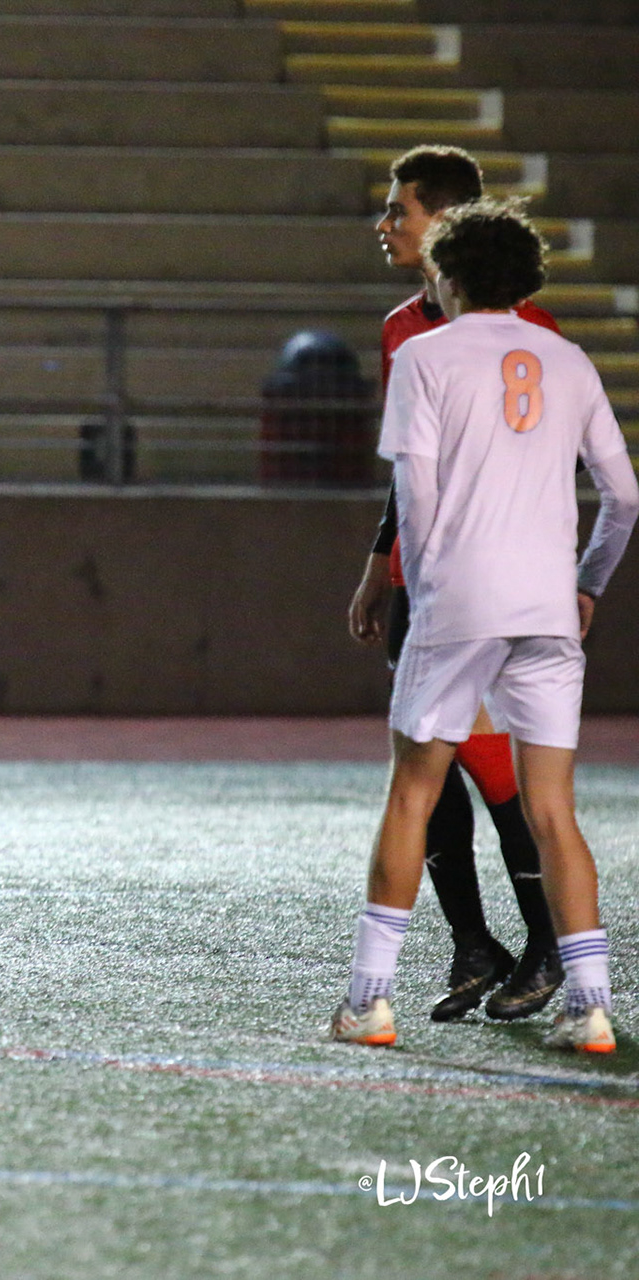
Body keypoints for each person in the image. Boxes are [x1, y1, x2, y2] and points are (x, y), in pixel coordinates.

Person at [331, 200, 637, 1054]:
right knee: (554, 810)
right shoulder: (567, 358)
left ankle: (368, 1002)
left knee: (412, 793)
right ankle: (591, 1007)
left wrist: (430, 595)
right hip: (547, 606)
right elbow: (624, 497)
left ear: (449, 275)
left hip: (458, 605)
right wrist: (587, 586)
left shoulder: (424, 356)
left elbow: (418, 497)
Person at [345, 146, 564, 1023]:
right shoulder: (403, 326)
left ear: (447, 223)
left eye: (398, 210)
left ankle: (547, 947)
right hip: (422, 583)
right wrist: (380, 566)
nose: (384, 225)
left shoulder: (530, 331)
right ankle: (476, 946)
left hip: (486, 586)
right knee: (426, 774)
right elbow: (408, 466)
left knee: (495, 771)